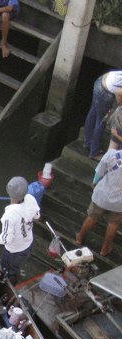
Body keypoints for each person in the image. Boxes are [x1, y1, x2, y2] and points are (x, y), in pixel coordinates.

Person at [75, 108, 122, 256]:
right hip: (119, 201)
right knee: (113, 224)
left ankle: (80, 237)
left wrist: (95, 183)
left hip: (102, 194)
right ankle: (104, 248)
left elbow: (99, 172)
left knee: (92, 217)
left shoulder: (111, 155)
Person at [83, 70, 122, 161]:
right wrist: (120, 103)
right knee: (101, 122)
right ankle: (94, 153)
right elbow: (118, 92)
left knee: (92, 113)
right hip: (105, 92)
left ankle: (88, 142)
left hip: (101, 81)